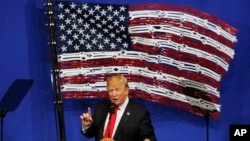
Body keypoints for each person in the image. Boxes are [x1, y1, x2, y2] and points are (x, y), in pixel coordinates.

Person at [80, 74, 157, 141]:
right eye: (110, 90)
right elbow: (91, 133)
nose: (113, 94)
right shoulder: (101, 107)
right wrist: (87, 125)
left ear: (126, 90)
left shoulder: (140, 112)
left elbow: (149, 137)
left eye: (117, 90)